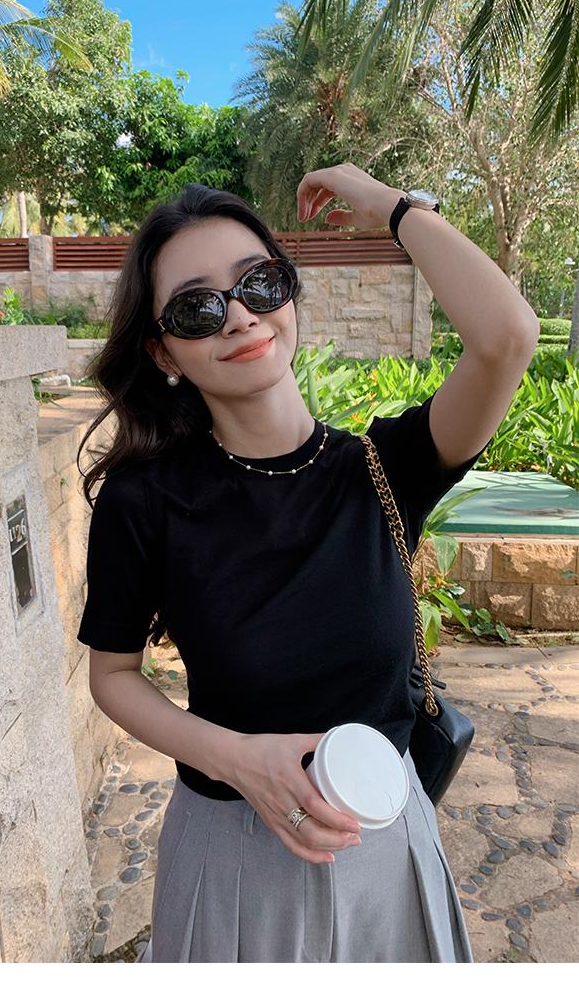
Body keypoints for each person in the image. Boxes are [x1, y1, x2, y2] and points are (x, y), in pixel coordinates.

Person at [76, 163, 539, 962]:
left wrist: (387, 204)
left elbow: (507, 338)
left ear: (289, 294)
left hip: (386, 841)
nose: (238, 316)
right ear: (163, 352)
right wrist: (237, 760)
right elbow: (112, 675)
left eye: (260, 282)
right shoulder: (146, 500)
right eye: (196, 307)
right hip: (233, 853)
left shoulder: (385, 467)